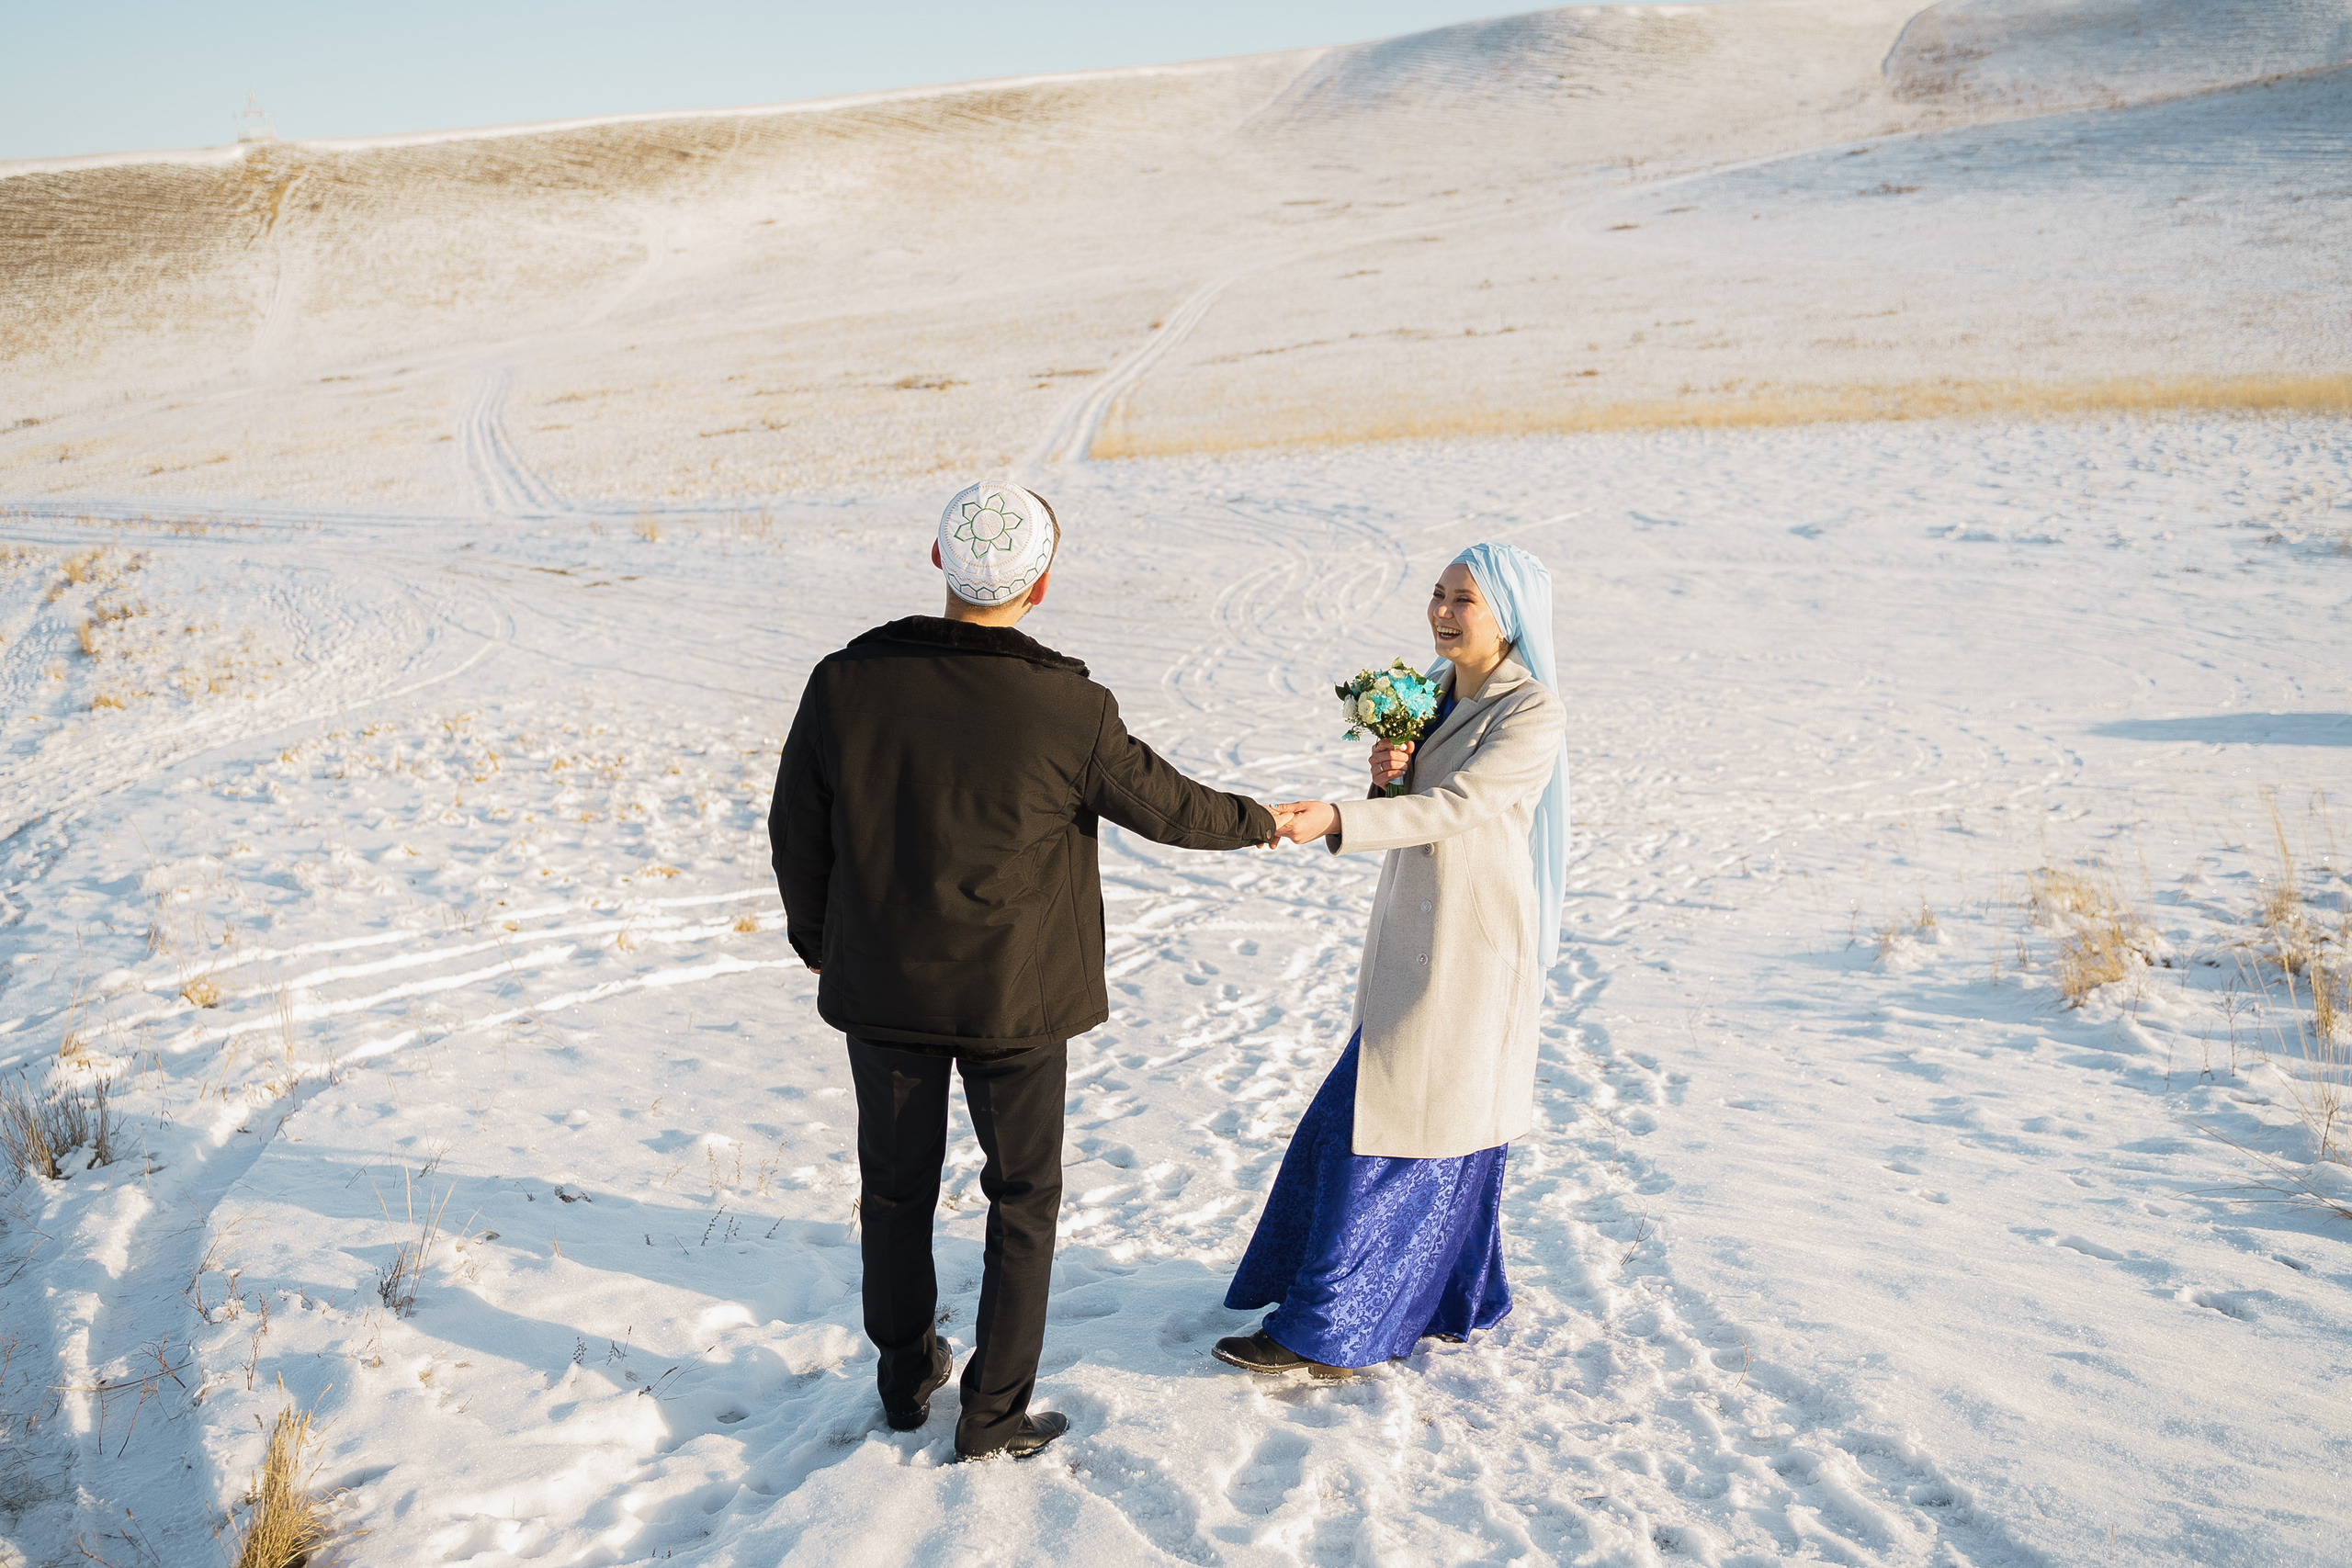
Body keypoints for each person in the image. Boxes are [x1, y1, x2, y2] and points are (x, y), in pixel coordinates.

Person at [770, 480, 1284, 1460]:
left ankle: (903, 1373)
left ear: (936, 561)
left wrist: (821, 942)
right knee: (1022, 1199)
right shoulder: (1068, 706)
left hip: (881, 989)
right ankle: (991, 1414)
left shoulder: (844, 682)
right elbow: (1170, 808)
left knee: (893, 1190)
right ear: (1040, 584)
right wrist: (1266, 823)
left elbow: (796, 829)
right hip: (1015, 1001)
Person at [1217, 542, 1569, 1378]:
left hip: (1471, 946)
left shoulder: (1533, 712)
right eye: (1439, 594)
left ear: (1508, 616)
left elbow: (1463, 806)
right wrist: (1384, 781)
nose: (1442, 613)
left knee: (1401, 1120)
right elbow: (1417, 802)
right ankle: (1436, 1294)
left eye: (1463, 601)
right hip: (1415, 933)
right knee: (1403, 1112)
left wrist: (1339, 816)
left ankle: (1330, 1328)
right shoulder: (1438, 691)